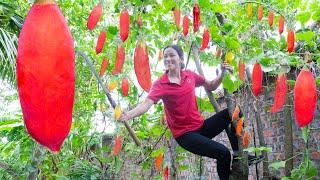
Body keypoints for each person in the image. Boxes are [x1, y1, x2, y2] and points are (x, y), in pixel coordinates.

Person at [119, 44, 240, 179]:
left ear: (181, 59)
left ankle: (238, 156)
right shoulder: (160, 84)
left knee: (234, 112)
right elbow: (146, 104)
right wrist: (128, 115)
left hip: (201, 127)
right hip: (185, 136)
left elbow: (211, 86)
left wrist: (222, 72)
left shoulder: (190, 75)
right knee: (223, 153)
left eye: (171, 55)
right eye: (165, 56)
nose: (167, 59)